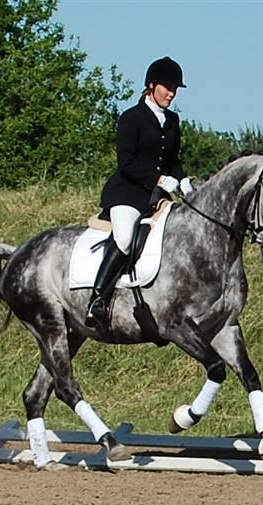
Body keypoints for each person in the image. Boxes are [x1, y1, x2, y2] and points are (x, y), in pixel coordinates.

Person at [85, 56, 192, 330]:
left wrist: (183, 180)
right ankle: (97, 300)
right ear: (151, 85)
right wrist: (159, 179)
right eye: (167, 87)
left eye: (175, 89)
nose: (172, 93)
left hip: (157, 197)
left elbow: (172, 161)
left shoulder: (172, 120)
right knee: (124, 238)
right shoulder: (130, 118)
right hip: (127, 193)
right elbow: (127, 163)